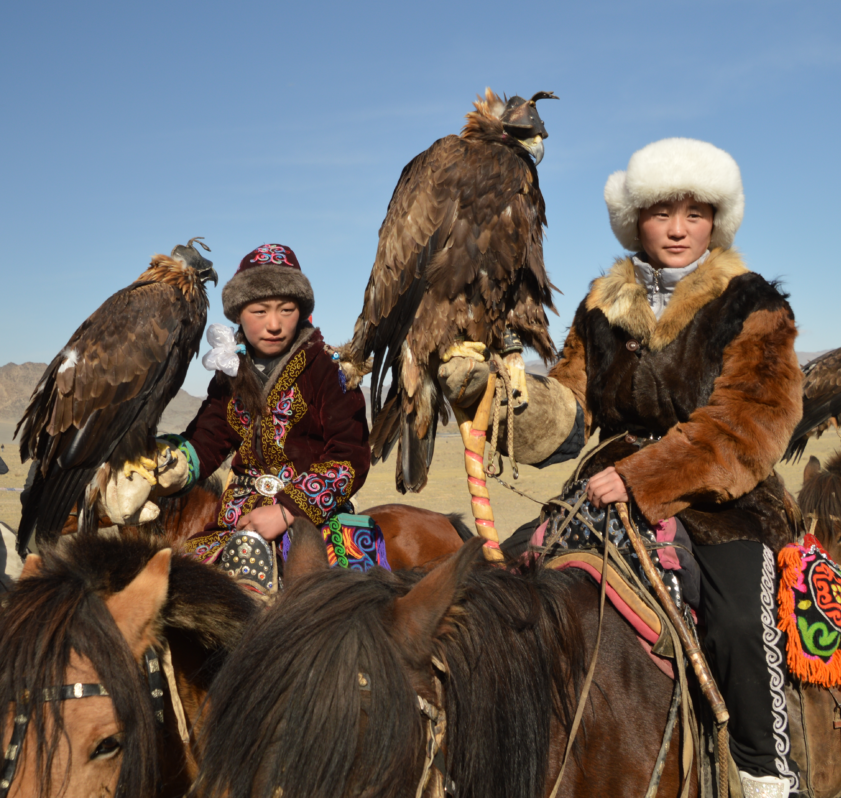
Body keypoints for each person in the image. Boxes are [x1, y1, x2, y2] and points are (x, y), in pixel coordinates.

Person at [439, 138, 804, 797]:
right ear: (636, 219)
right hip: (603, 484)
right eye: (663, 211)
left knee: (738, 623)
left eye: (695, 213)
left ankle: (763, 772)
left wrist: (643, 480)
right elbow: (569, 407)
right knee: (514, 589)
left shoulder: (753, 306)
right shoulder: (603, 304)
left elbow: (748, 422)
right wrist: (500, 396)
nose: (677, 227)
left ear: (715, 221)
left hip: (722, 495)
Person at [117, 243, 375, 587]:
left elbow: (349, 458)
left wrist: (286, 511)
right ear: (239, 313)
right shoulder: (229, 372)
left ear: (302, 312)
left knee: (337, 614)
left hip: (315, 517)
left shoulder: (330, 370)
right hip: (239, 519)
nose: (274, 324)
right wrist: (166, 465)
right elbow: (206, 442)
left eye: (286, 310)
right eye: (259, 311)